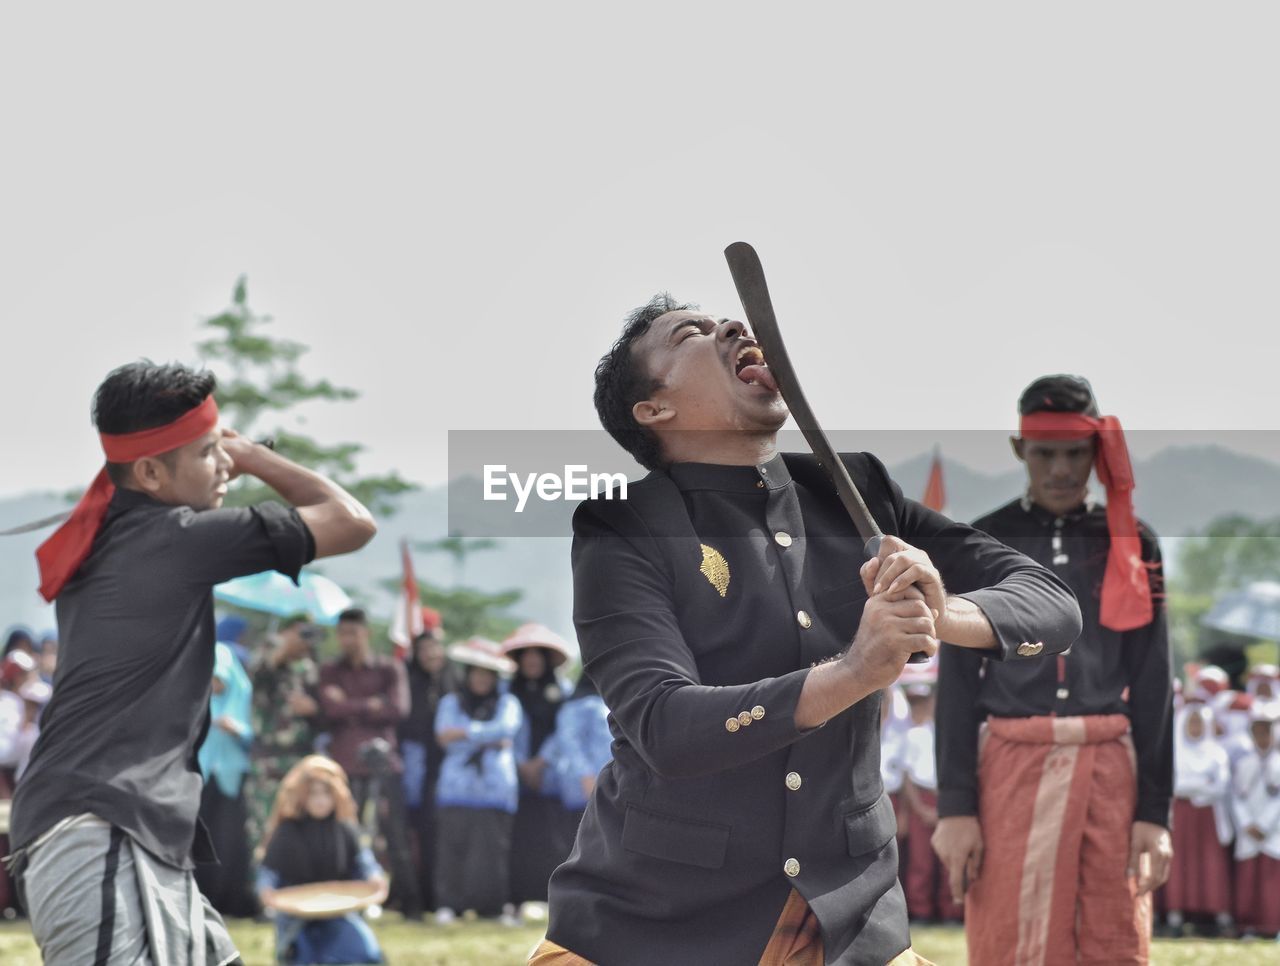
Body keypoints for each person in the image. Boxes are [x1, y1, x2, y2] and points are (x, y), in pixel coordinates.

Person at [535, 295, 1081, 965]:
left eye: (725, 321)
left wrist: (937, 611)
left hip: (850, 922)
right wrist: (856, 671)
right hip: (658, 922)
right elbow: (665, 729)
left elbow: (1053, 605)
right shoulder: (623, 525)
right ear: (655, 410)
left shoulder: (856, 488)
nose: (733, 326)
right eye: (690, 335)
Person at [7, 360, 376, 965]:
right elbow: (351, 521)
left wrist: (219, 449)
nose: (227, 462)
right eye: (211, 451)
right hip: (99, 826)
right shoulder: (176, 538)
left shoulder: (112, 535)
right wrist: (257, 457)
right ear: (151, 471)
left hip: (123, 829)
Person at [933, 374, 1174, 966]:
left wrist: (1154, 813)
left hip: (1107, 773)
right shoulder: (982, 540)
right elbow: (959, 684)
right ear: (1020, 449)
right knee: (1009, 937)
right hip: (1010, 770)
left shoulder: (1132, 540)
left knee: (1110, 934)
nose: (1062, 469)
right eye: (1045, 453)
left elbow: (1152, 682)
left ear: (1096, 452)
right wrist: (956, 809)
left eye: (1076, 453)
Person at [318, 607, 421, 919]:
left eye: (354, 633)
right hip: (344, 765)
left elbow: (399, 709)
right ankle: (347, 901)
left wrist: (348, 705)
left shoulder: (389, 668)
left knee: (394, 835)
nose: (348, 640)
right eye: (343, 633)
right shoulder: (329, 671)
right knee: (346, 835)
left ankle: (410, 904)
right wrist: (372, 704)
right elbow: (329, 711)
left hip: (384, 763)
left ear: (366, 633)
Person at [258, 755, 386, 965]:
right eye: (313, 794)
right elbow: (268, 872)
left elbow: (364, 862)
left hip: (339, 911)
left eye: (326, 794)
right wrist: (266, 891)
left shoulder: (345, 829)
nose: (320, 800)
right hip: (297, 916)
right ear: (302, 797)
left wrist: (375, 877)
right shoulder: (287, 832)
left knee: (366, 955)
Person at [433, 637, 523, 925]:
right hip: (456, 787)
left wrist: (464, 732)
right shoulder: (451, 702)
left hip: (496, 788)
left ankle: (493, 908)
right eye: (476, 672)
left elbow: (507, 728)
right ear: (468, 674)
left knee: (493, 851)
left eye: (488, 673)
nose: (482, 679)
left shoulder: (508, 702)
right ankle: (449, 905)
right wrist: (489, 737)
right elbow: (443, 735)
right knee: (452, 848)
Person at [501, 622, 575, 905]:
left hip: (551, 776)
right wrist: (522, 763)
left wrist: (541, 761)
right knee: (518, 836)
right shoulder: (506, 691)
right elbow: (508, 729)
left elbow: (564, 731)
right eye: (526, 653)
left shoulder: (564, 691)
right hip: (514, 776)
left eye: (538, 653)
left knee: (551, 836)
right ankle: (517, 897)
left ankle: (549, 897)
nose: (532, 659)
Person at [246, 614, 323, 849]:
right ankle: (261, 883)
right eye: (301, 633)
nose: (305, 640)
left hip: (300, 757)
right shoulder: (267, 653)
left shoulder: (309, 667)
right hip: (269, 759)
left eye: (309, 634)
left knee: (299, 824)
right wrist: (284, 646)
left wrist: (313, 709)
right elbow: (261, 671)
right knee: (264, 826)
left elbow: (326, 708)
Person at [195, 641, 258, 917]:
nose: (215, 685)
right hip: (203, 779)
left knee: (232, 839)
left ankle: (235, 900)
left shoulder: (243, 697)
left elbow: (258, 738)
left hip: (234, 779)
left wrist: (239, 731)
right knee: (203, 841)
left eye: (219, 679)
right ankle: (203, 898)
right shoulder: (196, 701)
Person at [398, 614, 454, 912]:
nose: (431, 655)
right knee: (415, 830)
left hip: (447, 766)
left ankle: (438, 896)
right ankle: (414, 896)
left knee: (439, 830)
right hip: (415, 765)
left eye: (436, 648)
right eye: (424, 650)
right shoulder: (407, 680)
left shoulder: (452, 679)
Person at [1161, 702, 1233, 937]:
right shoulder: (1174, 751)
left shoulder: (1216, 752)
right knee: (1180, 860)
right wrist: (1201, 785)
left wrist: (1194, 789)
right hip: (1181, 815)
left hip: (1207, 816)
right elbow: (1173, 785)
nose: (1195, 728)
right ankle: (1175, 914)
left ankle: (1217, 914)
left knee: (1210, 861)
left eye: (1198, 723)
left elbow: (1221, 786)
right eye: (1191, 723)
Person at [900, 676, 962, 925]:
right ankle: (921, 911)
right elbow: (907, 777)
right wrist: (919, 808)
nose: (923, 707)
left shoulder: (953, 734)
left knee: (950, 859)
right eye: (918, 703)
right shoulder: (914, 735)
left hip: (946, 797)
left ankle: (951, 912)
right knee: (921, 861)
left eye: (926, 702)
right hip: (921, 797)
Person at [1229, 701, 1280, 938]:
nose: (1262, 737)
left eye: (1266, 732)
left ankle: (1272, 925)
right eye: (1258, 732)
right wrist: (1247, 823)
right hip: (1248, 830)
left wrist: (1264, 824)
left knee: (1271, 880)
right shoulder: (1243, 763)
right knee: (1249, 880)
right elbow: (1236, 796)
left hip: (1273, 831)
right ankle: (1248, 925)